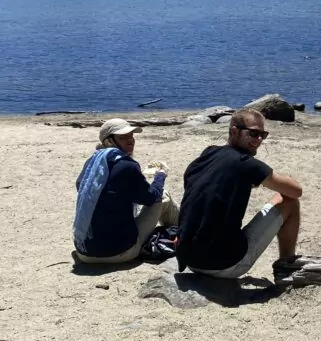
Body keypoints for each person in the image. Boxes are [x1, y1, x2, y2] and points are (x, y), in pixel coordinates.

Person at [176, 108, 302, 278]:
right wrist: (263, 180)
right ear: (234, 132)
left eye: (262, 135)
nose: (258, 140)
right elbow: (296, 191)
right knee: (288, 201)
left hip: (189, 259)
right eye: (253, 134)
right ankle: (287, 267)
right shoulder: (246, 164)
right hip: (223, 264)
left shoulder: (209, 153)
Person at [73, 118, 180, 264]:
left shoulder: (93, 163)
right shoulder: (127, 166)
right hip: (119, 253)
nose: (130, 140)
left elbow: (81, 185)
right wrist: (160, 176)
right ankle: (187, 231)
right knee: (163, 195)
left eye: (131, 136)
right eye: (123, 137)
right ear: (109, 141)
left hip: (84, 251)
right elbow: (152, 197)